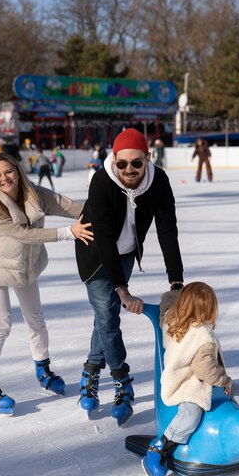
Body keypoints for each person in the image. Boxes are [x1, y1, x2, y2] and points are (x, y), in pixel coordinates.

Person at [0, 153, 93, 415]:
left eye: (8, 172)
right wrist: (68, 233)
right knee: (1, 323)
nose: (4, 179)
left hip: (24, 266)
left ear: (18, 171)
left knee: (36, 318)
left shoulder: (34, 194)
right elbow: (24, 234)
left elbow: (65, 205)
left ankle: (43, 370)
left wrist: (98, 210)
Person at [75, 128, 184, 426]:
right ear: (114, 159)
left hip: (125, 254)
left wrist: (176, 281)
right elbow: (105, 240)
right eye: (122, 164)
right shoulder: (101, 182)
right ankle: (123, 382)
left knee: (105, 316)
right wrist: (123, 290)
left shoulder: (158, 181)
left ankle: (91, 368)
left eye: (137, 163)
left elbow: (167, 230)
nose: (129, 169)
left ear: (148, 159)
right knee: (108, 314)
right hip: (95, 254)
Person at [142, 282, 239, 476]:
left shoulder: (171, 317)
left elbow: (168, 304)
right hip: (186, 382)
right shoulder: (203, 336)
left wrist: (172, 293)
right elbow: (205, 369)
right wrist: (225, 381)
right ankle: (159, 447)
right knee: (192, 410)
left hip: (192, 376)